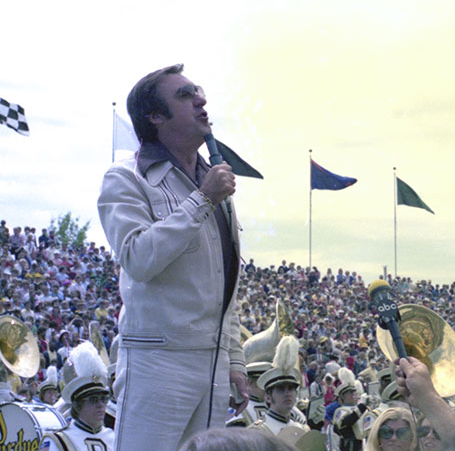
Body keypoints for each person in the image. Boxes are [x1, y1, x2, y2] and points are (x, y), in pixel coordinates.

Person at [98, 63, 248, 451]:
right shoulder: (126, 178)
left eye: (198, 91)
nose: (201, 99)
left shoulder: (212, 179)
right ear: (155, 117)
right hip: (157, 358)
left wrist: (234, 358)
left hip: (212, 362)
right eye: (185, 95)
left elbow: (223, 278)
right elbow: (138, 258)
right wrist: (202, 200)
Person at [40, 342, 115, 451]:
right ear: (78, 405)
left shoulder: (113, 436)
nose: (101, 405)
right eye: (93, 400)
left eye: (103, 399)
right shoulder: (60, 440)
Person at [250, 336, 309, 436]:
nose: (288, 394)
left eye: (291, 389)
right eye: (281, 389)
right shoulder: (257, 431)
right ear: (268, 397)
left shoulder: (302, 429)